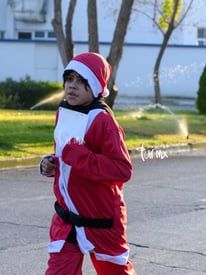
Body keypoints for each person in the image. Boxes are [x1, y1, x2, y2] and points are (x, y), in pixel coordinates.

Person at [40, 52, 136, 275]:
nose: (72, 86)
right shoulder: (63, 112)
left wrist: (78, 157)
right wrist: (51, 164)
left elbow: (122, 170)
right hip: (67, 220)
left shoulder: (103, 120)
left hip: (101, 220)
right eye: (69, 79)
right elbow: (64, 156)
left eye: (81, 81)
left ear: (94, 86)